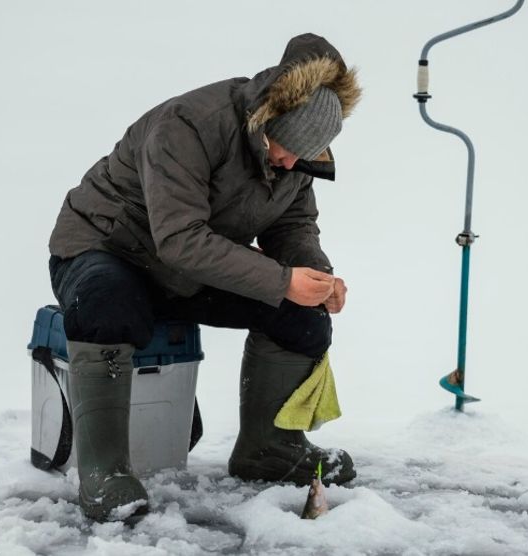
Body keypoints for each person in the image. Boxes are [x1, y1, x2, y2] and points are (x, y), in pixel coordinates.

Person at [47, 33, 361, 521]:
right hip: (107, 250)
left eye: (305, 156)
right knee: (109, 305)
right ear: (267, 120)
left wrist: (315, 277)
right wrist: (281, 279)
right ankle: (104, 471)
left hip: (189, 272)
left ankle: (268, 449)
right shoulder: (190, 125)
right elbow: (179, 239)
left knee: (303, 315)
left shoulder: (295, 158)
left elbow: (292, 225)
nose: (291, 163)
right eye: (286, 150)